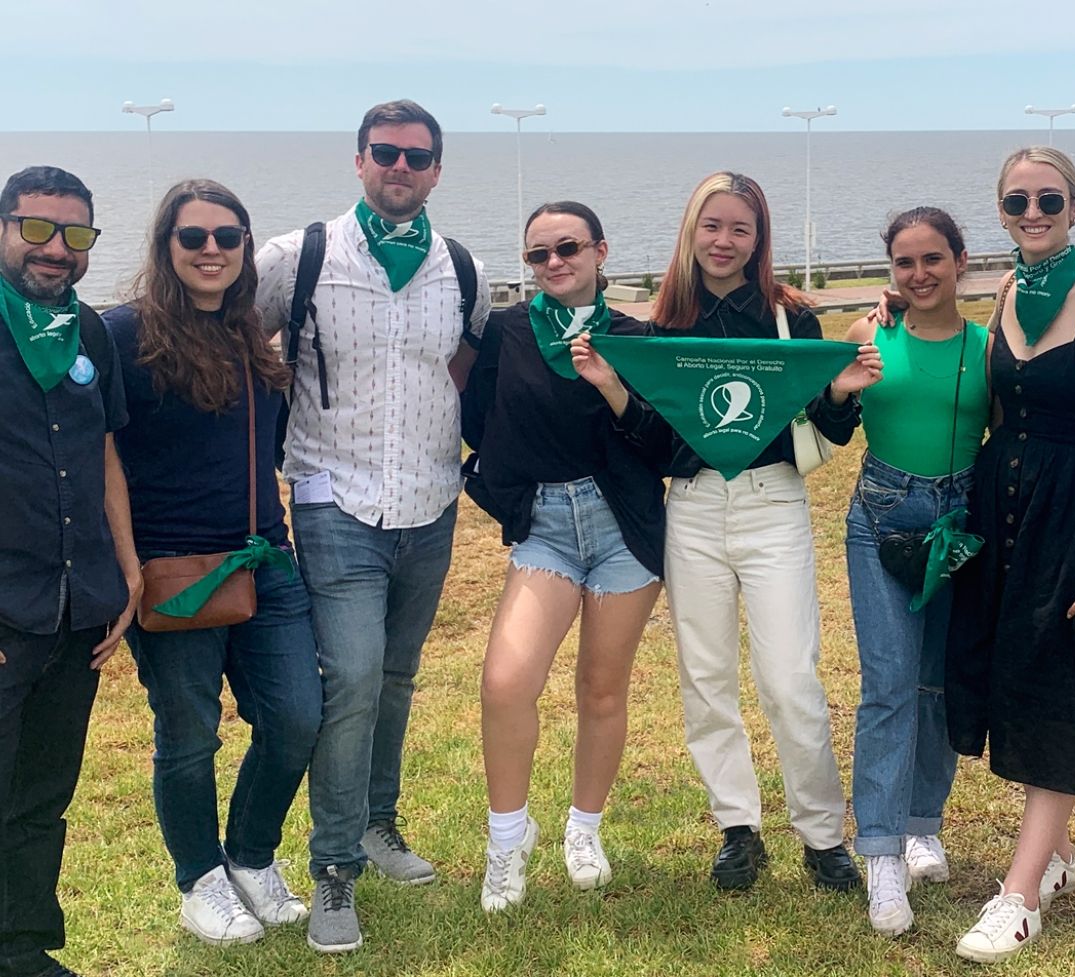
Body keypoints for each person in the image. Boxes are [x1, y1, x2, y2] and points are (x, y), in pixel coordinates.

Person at [254, 98, 491, 953]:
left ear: (436, 170)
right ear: (359, 161)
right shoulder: (298, 257)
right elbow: (219, 333)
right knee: (349, 678)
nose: (400, 167)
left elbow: (469, 366)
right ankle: (333, 868)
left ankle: (379, 825)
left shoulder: (461, 271)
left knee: (395, 676)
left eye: (417, 156)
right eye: (385, 152)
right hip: (332, 499)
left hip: (430, 505)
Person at [103, 180, 323, 947]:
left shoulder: (247, 334)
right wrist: (127, 564)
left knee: (296, 718)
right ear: (166, 246)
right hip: (175, 573)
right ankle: (199, 878)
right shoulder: (123, 334)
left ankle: (250, 858)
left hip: (267, 556)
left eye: (228, 237)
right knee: (190, 734)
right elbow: (99, 453)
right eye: (193, 236)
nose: (211, 250)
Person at [646, 171, 879, 893]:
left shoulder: (790, 317)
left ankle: (820, 833)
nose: (724, 240)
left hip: (772, 502)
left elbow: (828, 426)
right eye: (711, 225)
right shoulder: (663, 324)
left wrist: (841, 391)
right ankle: (737, 828)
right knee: (706, 677)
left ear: (759, 238)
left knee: (789, 677)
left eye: (739, 228)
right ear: (692, 230)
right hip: (691, 505)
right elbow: (650, 435)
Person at [945, 146, 1075, 964]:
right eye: (1017, 201)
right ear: (1000, 212)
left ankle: (1020, 895)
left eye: (1048, 199)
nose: (1033, 213)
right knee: (1015, 679)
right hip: (1006, 510)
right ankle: (1056, 854)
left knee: (1056, 683)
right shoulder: (1003, 291)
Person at [461, 201, 665, 911]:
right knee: (506, 682)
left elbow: (664, 444)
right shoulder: (509, 333)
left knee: (602, 689)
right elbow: (476, 420)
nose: (554, 263)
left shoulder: (638, 338)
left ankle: (585, 828)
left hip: (623, 528)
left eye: (568, 248)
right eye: (538, 254)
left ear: (601, 251)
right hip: (546, 527)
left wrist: (611, 384)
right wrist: (501, 494)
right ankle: (506, 839)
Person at [0, 166, 140, 977]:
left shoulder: (87, 333)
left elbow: (106, 450)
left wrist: (126, 570)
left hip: (77, 602)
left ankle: (21, 947)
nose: (57, 249)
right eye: (38, 228)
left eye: (76, 234)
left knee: (43, 793)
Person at [843, 207, 990, 935]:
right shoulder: (869, 334)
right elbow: (826, 418)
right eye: (905, 262)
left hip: (958, 521)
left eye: (934, 258)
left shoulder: (989, 346)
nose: (920, 273)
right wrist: (840, 385)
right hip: (880, 516)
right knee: (890, 684)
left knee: (937, 681)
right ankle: (880, 851)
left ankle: (923, 820)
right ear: (890, 270)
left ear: (961, 261)